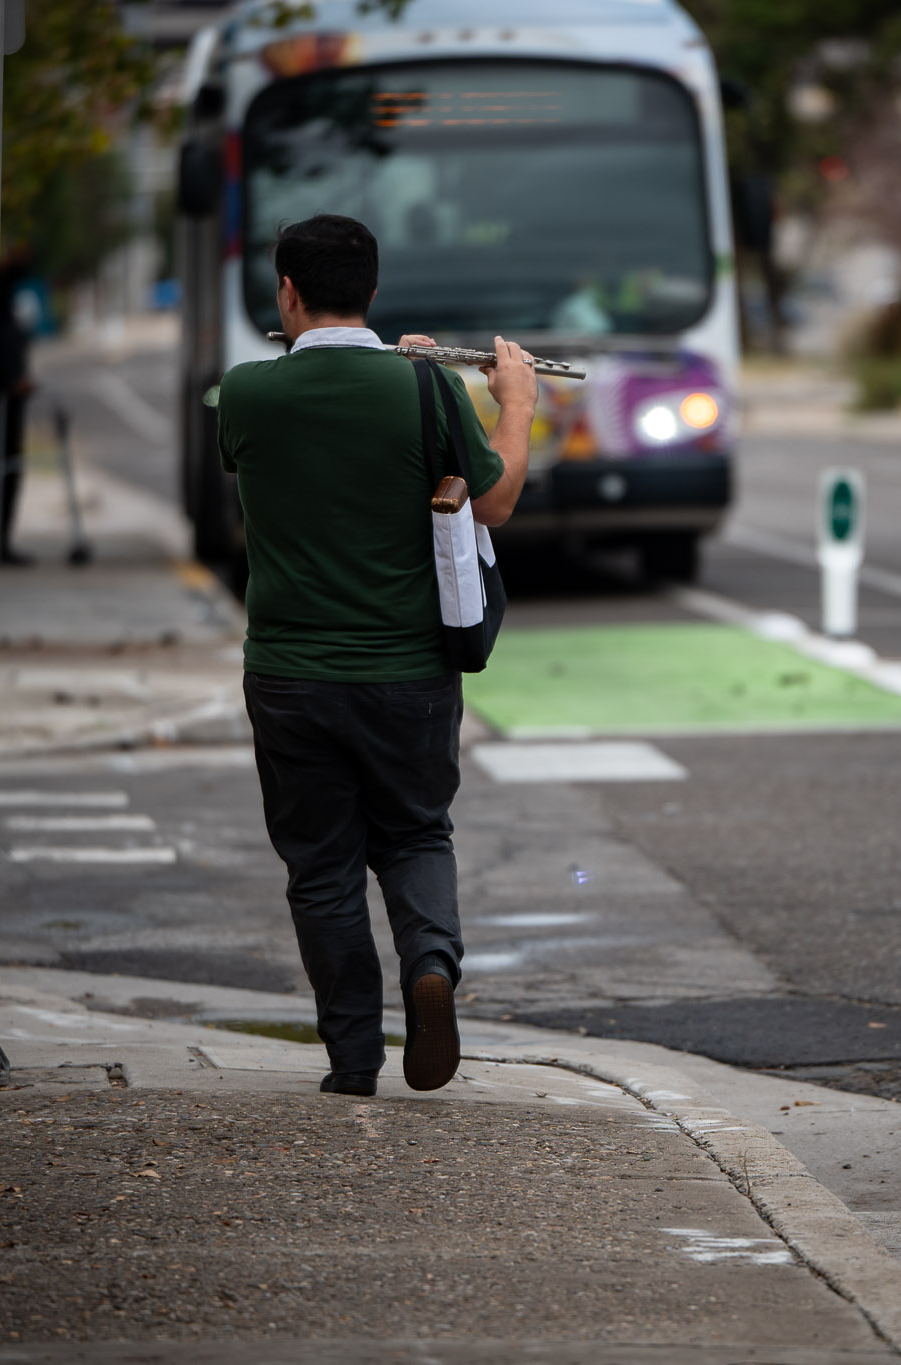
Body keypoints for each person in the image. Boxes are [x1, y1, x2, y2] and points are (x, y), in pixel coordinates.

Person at [217, 214, 534, 1096]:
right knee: (415, 834)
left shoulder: (244, 393)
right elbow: (495, 500)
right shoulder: (426, 391)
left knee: (319, 866)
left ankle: (352, 1060)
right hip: (407, 675)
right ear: (375, 292)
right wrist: (511, 403)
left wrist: (400, 371)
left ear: (287, 293)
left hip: (288, 675)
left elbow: (285, 450)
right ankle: (429, 964)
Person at [0, 256, 37, 566]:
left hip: (8, 408)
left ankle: (1, 542)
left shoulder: (3, 309)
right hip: (3, 412)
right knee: (4, 475)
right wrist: (19, 382)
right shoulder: (2, 314)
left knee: (7, 474)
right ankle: (0, 543)